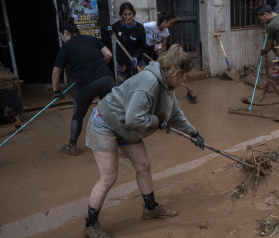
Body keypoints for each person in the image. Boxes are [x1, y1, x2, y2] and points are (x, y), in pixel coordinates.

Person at [83, 44, 205, 238]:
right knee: (109, 176)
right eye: (186, 77)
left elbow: (175, 116)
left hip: (126, 126)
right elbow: (134, 118)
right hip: (105, 122)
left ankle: (151, 209)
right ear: (178, 72)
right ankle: (90, 225)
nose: (186, 82)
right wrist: (157, 122)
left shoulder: (168, 89)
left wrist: (194, 134)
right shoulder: (149, 82)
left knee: (143, 165)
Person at [52, 19, 115, 156]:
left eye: (61, 36)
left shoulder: (66, 47)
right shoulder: (91, 38)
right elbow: (108, 54)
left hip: (86, 84)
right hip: (106, 78)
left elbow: (56, 72)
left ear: (65, 32)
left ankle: (72, 146)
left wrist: (56, 91)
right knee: (111, 113)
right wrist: (99, 67)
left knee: (77, 116)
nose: (62, 39)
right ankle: (123, 145)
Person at [111, 2, 147, 85]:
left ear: (133, 13)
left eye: (130, 14)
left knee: (140, 85)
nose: (128, 17)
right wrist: (107, 29)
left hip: (137, 61)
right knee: (122, 88)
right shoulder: (118, 26)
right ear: (121, 15)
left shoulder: (139, 28)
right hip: (122, 64)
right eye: (125, 15)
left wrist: (135, 57)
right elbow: (106, 30)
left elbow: (142, 46)